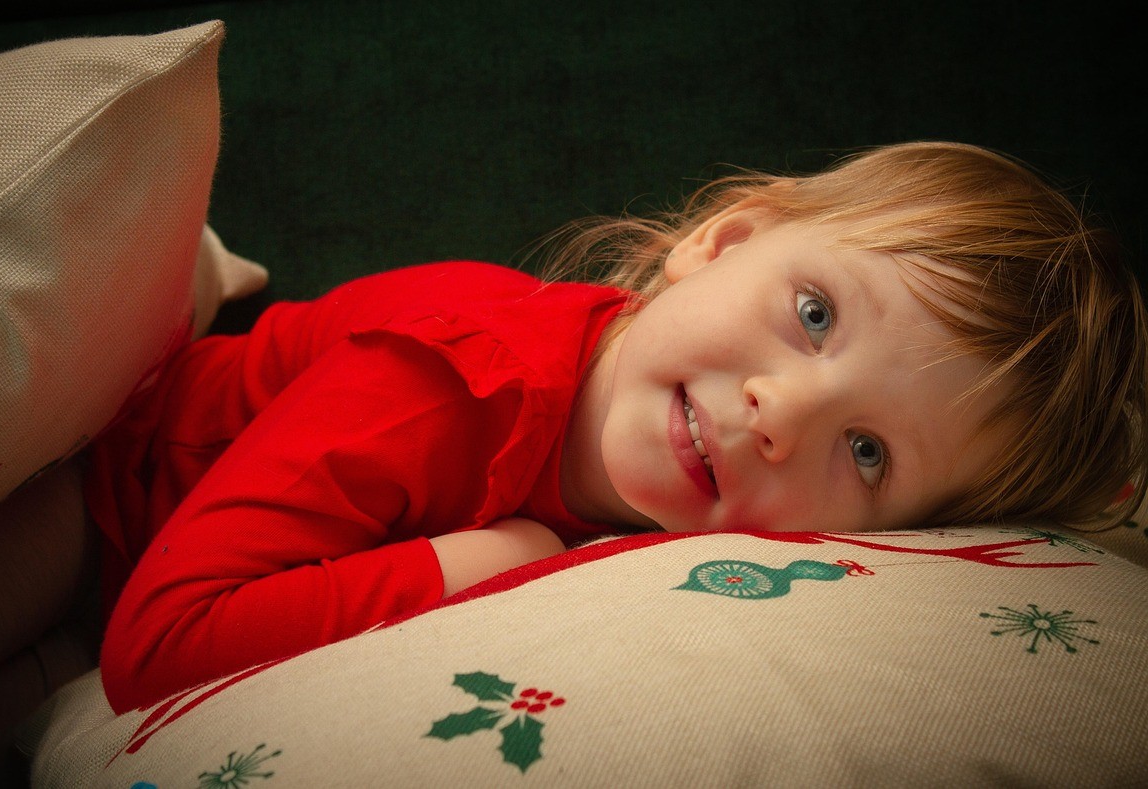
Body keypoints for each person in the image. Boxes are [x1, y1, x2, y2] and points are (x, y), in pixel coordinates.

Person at [87, 141, 1147, 714]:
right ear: (723, 239)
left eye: (865, 452)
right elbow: (157, 642)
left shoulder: (664, 540)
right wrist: (478, 560)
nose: (778, 413)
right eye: (813, 315)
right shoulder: (443, 385)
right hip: (95, 485)